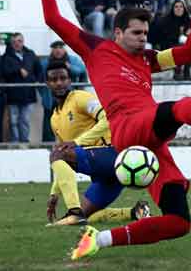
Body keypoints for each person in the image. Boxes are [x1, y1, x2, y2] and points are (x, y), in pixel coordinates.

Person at [29, 0, 191, 260]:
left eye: (145, 34)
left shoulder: (147, 58)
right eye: (136, 34)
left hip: (152, 140)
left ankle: (99, 240)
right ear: (117, 33)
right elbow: (53, 19)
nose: (143, 39)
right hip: (128, 127)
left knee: (178, 221)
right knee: (180, 106)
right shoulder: (95, 49)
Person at [42, 60, 150, 227]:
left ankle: (74, 211)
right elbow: (62, 160)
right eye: (54, 80)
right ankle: (136, 212)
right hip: (105, 175)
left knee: (58, 153)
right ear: (47, 83)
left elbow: (108, 118)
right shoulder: (54, 118)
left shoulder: (79, 98)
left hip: (111, 154)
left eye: (63, 78)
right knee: (83, 218)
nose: (59, 83)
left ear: (70, 80)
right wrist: (54, 194)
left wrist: (77, 142)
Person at [0, 32, 41, 143]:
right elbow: (3, 72)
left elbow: (39, 70)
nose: (17, 44)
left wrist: (34, 80)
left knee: (25, 120)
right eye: (14, 42)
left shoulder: (30, 54)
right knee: (13, 121)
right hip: (13, 94)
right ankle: (15, 142)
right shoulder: (6, 57)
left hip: (28, 93)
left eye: (19, 41)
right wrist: (18, 71)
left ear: (23, 42)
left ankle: (24, 142)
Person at [152, 1, 191, 81]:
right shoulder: (166, 20)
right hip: (167, 45)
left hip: (182, 45)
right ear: (173, 9)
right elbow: (163, 37)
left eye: (181, 7)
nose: (179, 9)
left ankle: (187, 71)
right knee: (180, 48)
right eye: (176, 7)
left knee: (189, 48)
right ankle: (177, 72)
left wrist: (187, 34)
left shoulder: (187, 20)